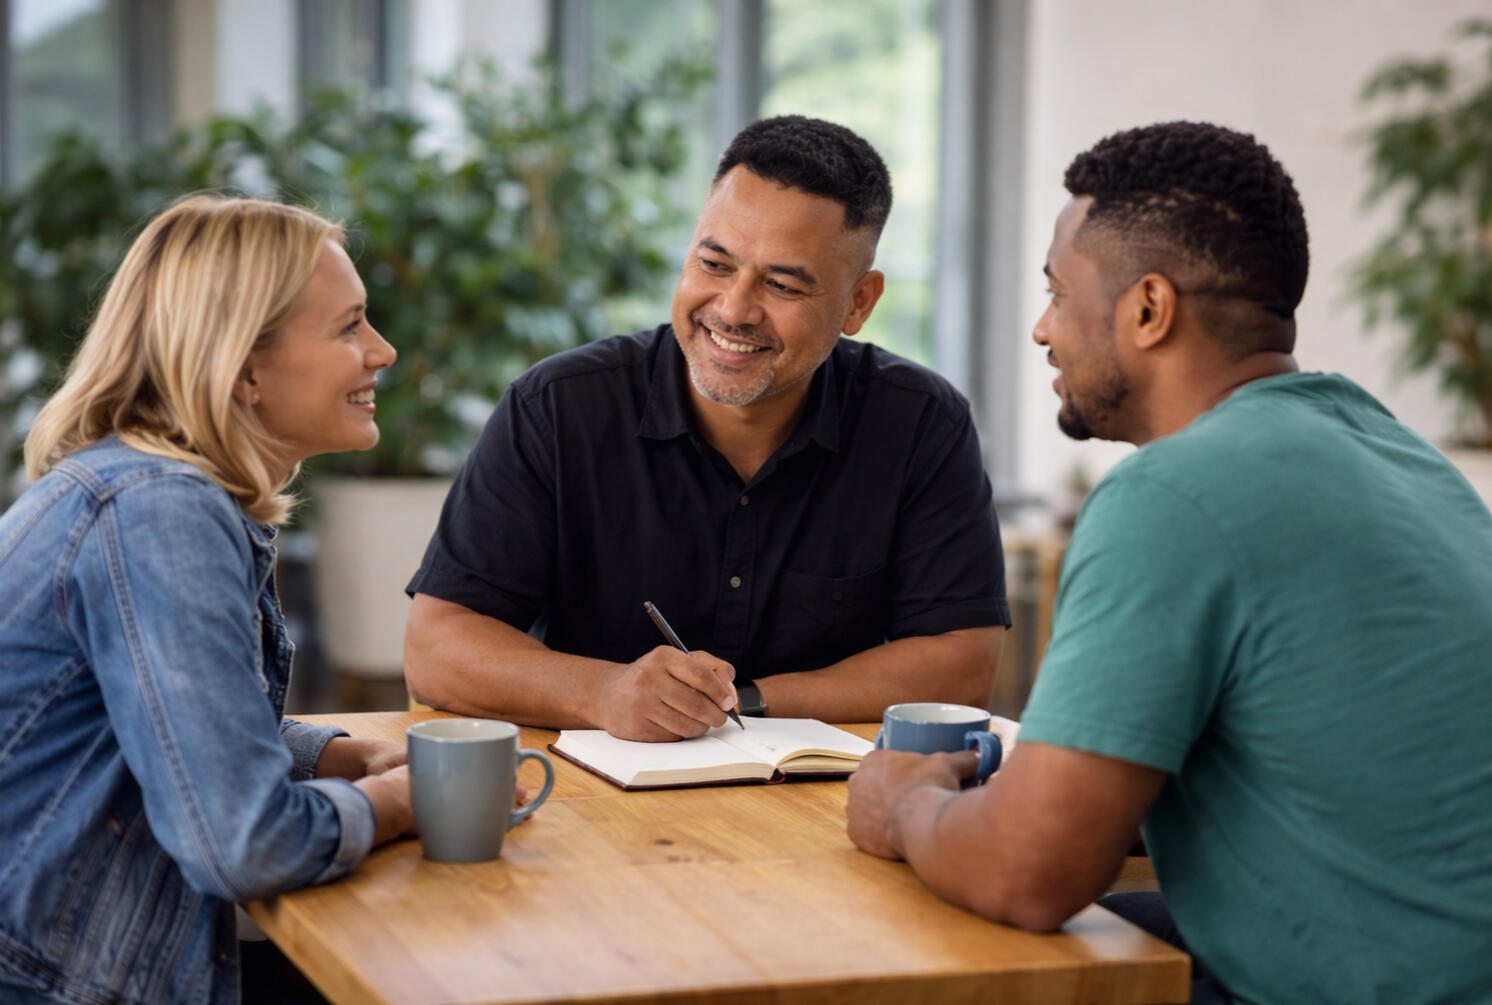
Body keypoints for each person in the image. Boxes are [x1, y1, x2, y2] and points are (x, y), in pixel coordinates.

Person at [845, 121, 1492, 1005]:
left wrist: (907, 805)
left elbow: (1029, 873)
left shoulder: (1174, 496)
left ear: (1149, 309)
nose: (1042, 328)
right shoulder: (1405, 459)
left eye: (1057, 291)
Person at [404, 115, 1011, 741]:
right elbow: (437, 650)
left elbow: (961, 666)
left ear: (859, 303)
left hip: (822, 805)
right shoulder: (558, 406)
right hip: (590, 805)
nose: (733, 309)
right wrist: (607, 692)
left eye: (780, 284)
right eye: (715, 264)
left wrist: (739, 701)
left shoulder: (919, 422)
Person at [0, 195, 430, 1004]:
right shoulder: (160, 510)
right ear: (243, 367)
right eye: (349, 327)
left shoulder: (149, 490)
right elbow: (245, 844)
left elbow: (168, 723)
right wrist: (401, 801)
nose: (384, 350)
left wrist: (339, 755)